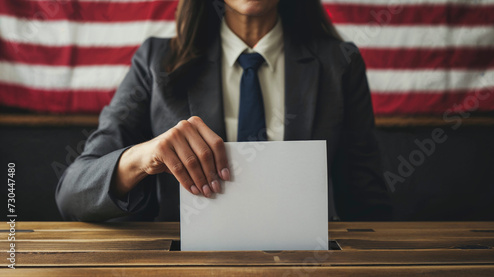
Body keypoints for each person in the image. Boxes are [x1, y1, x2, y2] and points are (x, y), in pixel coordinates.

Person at [56, 0, 392, 222]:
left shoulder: (339, 64)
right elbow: (73, 193)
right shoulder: (156, 62)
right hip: (184, 269)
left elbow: (366, 202)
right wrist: (144, 157)